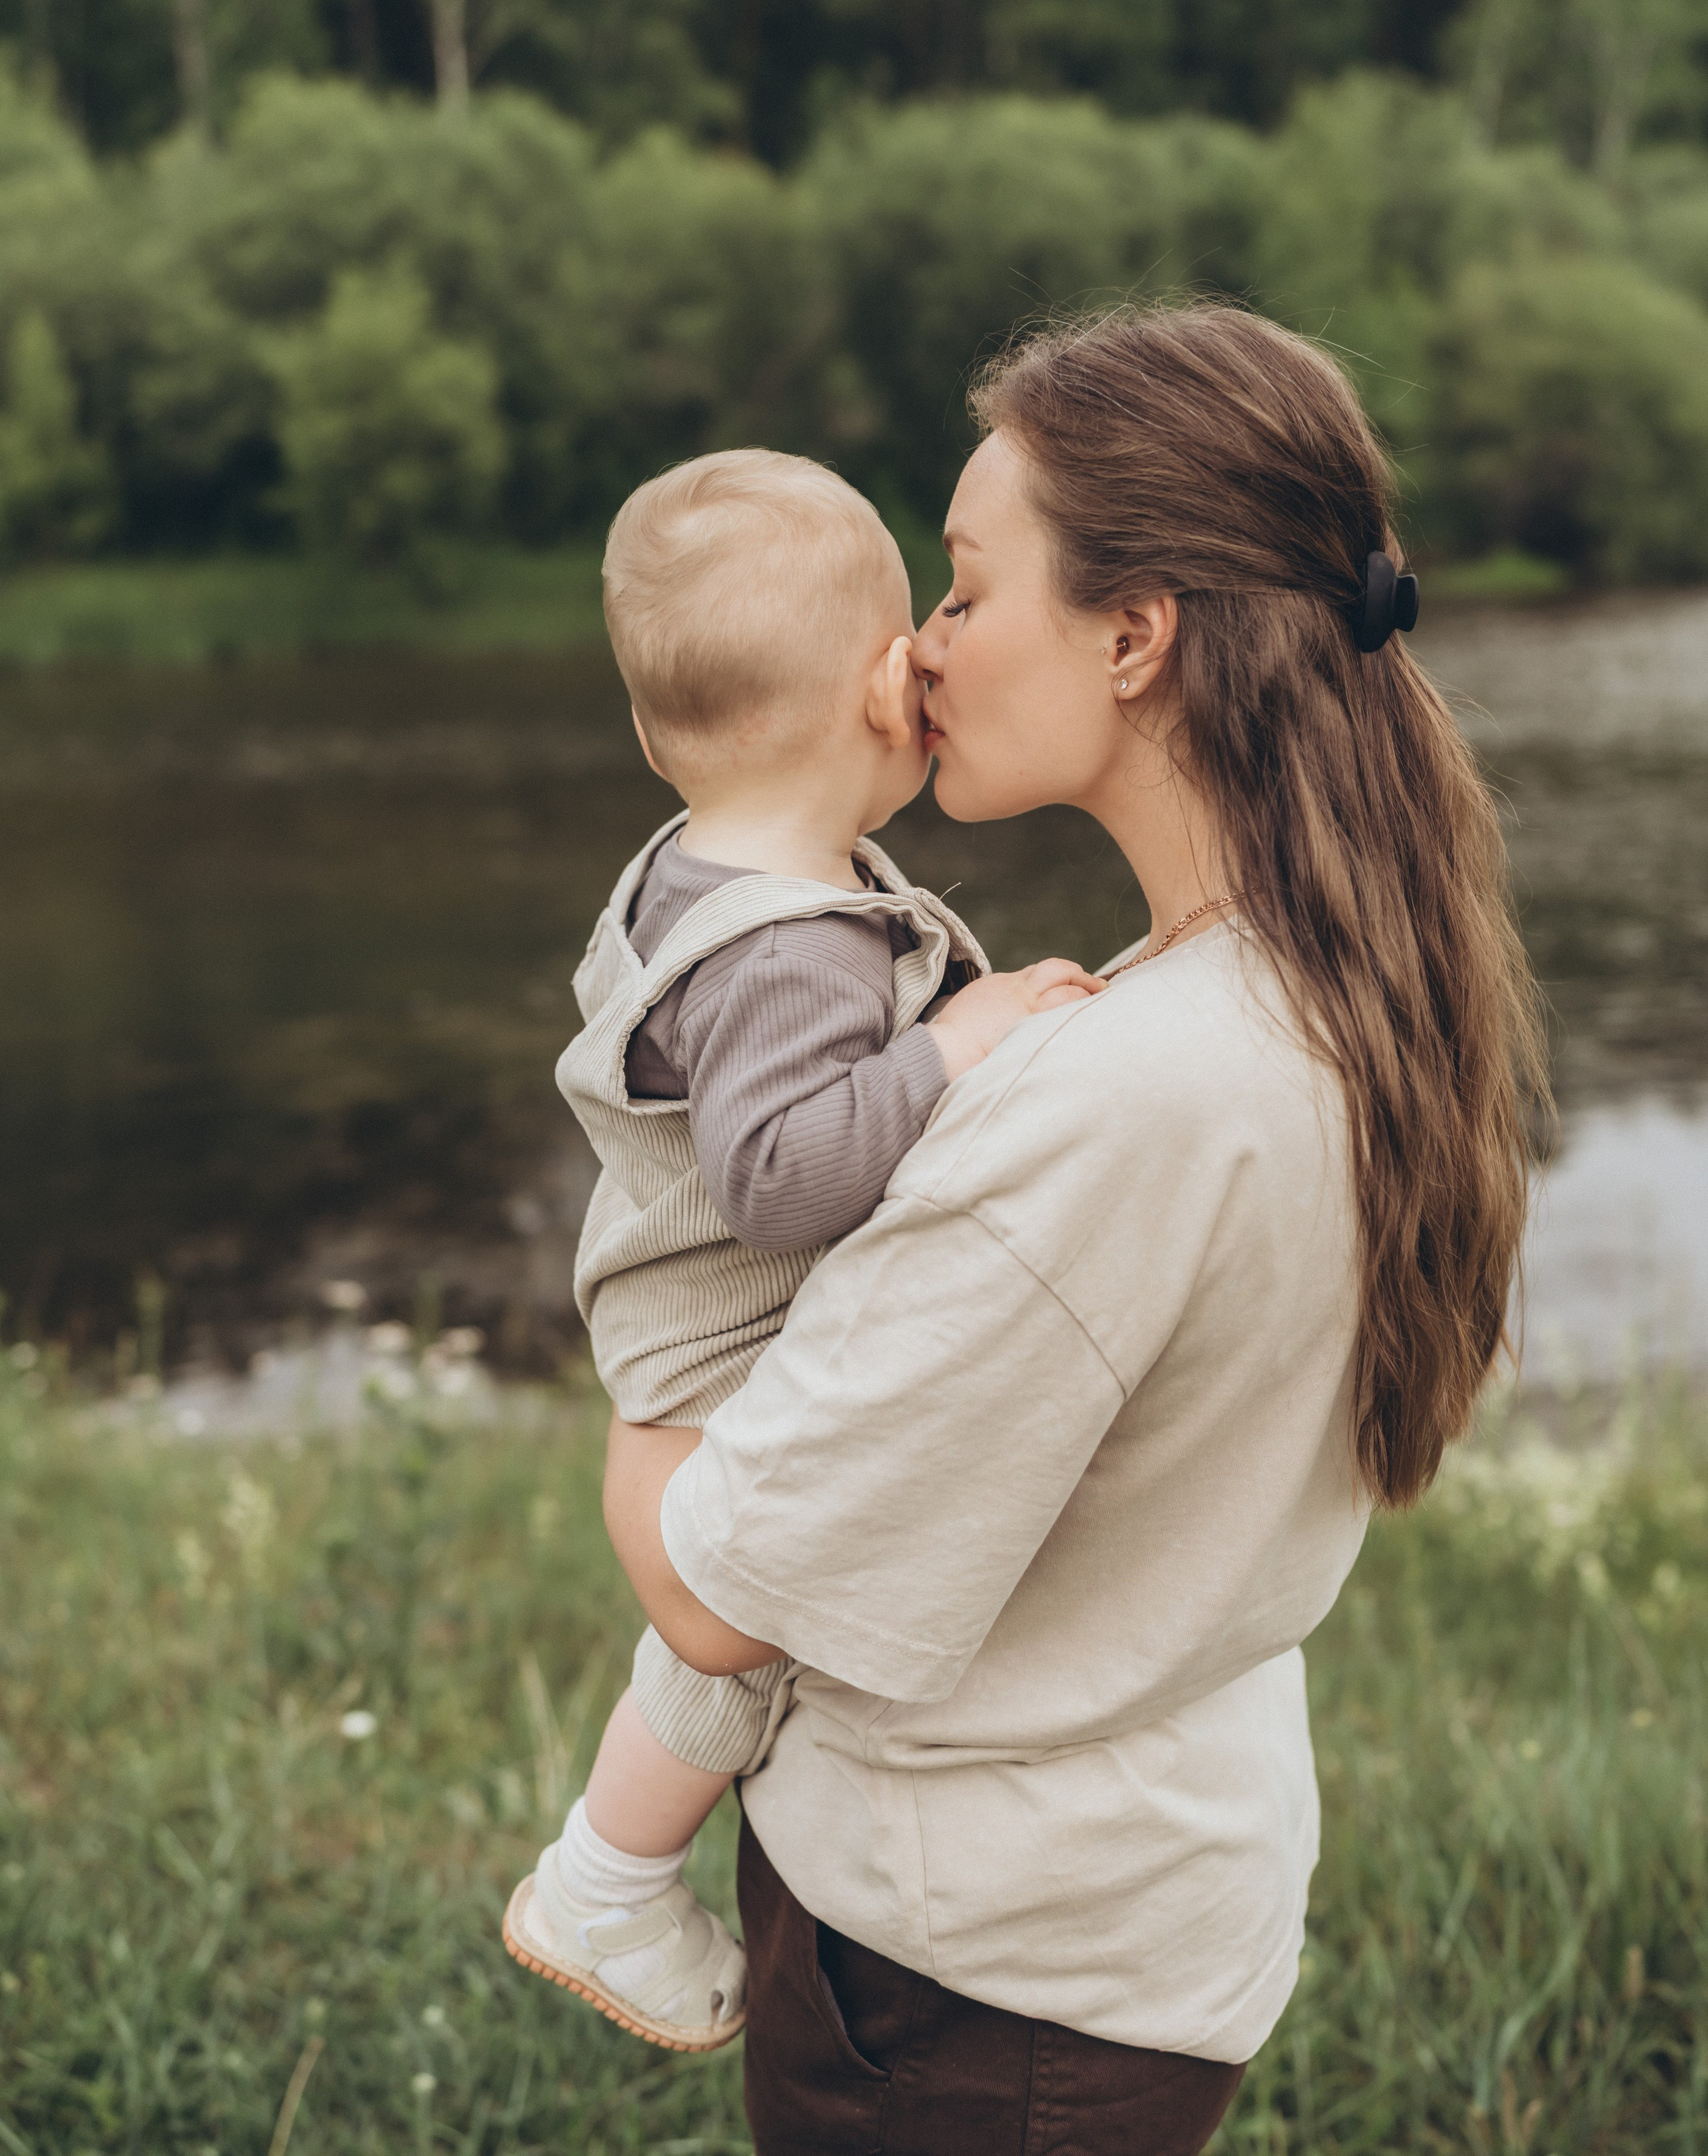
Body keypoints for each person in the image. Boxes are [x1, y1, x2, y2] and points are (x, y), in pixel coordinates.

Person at [601, 304, 1548, 2153]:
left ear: (1134, 637)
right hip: (1127, 1913)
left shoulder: (1115, 1098)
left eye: (962, 589)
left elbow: (717, 1595)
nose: (919, 651)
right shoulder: (1306, 990)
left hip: (970, 1985)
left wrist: (645, 1380)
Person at [503, 447, 1104, 2049]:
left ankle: (617, 1873)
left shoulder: (699, 865)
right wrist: (952, 1049)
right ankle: (606, 1879)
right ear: (879, 696)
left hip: (678, 1339)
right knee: (752, 1629)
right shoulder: (781, 949)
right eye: (924, 632)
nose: (935, 660)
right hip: (715, 1355)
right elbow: (777, 1179)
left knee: (760, 1624)